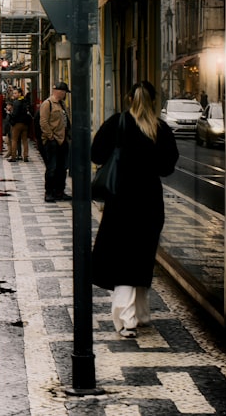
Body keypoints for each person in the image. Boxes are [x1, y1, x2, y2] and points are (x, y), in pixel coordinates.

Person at [91, 81, 179, 339]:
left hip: (121, 200)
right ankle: (141, 313)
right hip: (149, 200)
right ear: (153, 101)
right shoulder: (160, 129)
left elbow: (96, 154)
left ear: (129, 98)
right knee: (142, 255)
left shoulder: (118, 122)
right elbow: (167, 167)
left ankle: (127, 318)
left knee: (123, 257)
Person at [39, 82, 72, 202]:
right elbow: (43, 122)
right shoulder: (47, 104)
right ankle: (49, 192)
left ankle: (60, 191)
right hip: (52, 141)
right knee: (52, 167)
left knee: (62, 168)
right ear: (59, 92)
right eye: (64, 93)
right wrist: (51, 137)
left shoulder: (62, 104)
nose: (65, 95)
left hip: (63, 140)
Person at [4, 88, 31, 162]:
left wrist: (9, 113)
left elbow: (14, 114)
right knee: (25, 140)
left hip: (17, 124)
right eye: (13, 93)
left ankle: (13, 156)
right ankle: (25, 156)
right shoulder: (25, 101)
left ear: (20, 94)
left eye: (15, 93)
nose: (14, 95)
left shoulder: (16, 102)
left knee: (14, 140)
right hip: (25, 123)